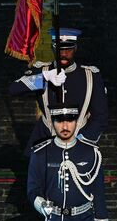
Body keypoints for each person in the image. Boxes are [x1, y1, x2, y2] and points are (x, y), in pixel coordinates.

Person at [9, 28, 108, 156]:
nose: (64, 53)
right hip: (45, 141)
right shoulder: (43, 71)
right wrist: (44, 77)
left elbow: (100, 117)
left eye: (69, 49)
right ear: (53, 48)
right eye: (60, 49)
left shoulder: (90, 75)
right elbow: (13, 89)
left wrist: (82, 142)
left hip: (79, 142)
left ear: (75, 49)